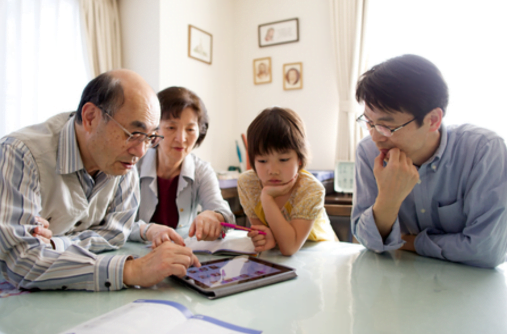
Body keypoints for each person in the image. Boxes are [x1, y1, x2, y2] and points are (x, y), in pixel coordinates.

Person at [0, 70, 200, 290]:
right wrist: (130, 270)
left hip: (61, 295)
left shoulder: (123, 163)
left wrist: (56, 245)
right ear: (91, 117)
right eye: (134, 134)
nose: (140, 151)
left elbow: (116, 233)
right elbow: (22, 262)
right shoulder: (18, 154)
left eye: (149, 138)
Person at [351, 54, 507, 268]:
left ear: (432, 120)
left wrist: (410, 242)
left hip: (469, 288)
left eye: (387, 126)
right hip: (399, 284)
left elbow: (487, 250)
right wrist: (388, 199)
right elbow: (365, 239)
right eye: (369, 123)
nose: (376, 136)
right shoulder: (369, 153)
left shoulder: (483, 150)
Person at [130, 86, 234, 247]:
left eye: (190, 129)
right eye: (171, 127)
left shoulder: (202, 171)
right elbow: (115, 223)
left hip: (182, 255)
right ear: (154, 129)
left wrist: (215, 216)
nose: (181, 138)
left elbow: (224, 212)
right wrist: (147, 230)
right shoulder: (133, 164)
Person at [237, 107, 337, 256]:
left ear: (300, 159)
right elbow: (265, 235)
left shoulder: (311, 189)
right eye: (262, 160)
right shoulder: (248, 184)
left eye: (283, 159)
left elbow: (289, 248)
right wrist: (267, 237)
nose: (273, 170)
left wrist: (267, 197)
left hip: (324, 255)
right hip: (282, 259)